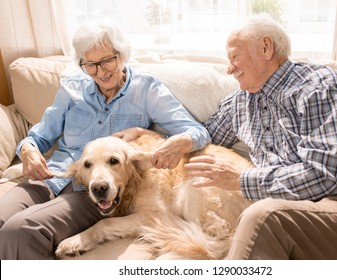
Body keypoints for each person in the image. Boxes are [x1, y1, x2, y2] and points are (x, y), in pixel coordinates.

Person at [0, 18, 210, 259]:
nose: (100, 72)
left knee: (22, 230)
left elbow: (197, 131)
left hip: (95, 190)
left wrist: (153, 136)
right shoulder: (72, 89)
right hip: (51, 176)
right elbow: (39, 136)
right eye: (90, 65)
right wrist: (28, 150)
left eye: (107, 61)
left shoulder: (147, 91)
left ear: (121, 55)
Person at [184, 14, 337, 259]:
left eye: (235, 57)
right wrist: (171, 138)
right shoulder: (238, 103)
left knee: (262, 217)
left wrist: (241, 179)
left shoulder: (320, 85)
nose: (230, 69)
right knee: (262, 215)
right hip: (288, 211)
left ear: (265, 47)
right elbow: (204, 135)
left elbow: (329, 176)